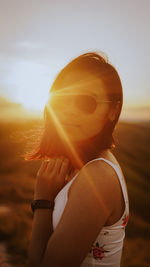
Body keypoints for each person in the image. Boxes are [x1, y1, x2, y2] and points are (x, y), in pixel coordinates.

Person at [28, 52, 129, 267]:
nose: (70, 111)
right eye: (62, 99)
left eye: (86, 102)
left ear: (113, 110)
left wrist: (43, 200)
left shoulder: (98, 177)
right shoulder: (83, 166)